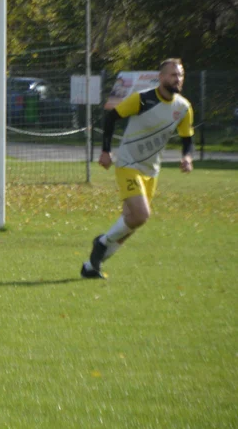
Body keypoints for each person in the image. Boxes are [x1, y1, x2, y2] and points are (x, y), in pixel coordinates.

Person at [81, 58, 194, 279]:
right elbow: (111, 117)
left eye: (180, 75)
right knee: (141, 215)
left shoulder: (183, 108)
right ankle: (102, 242)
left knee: (129, 225)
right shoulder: (143, 99)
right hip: (128, 163)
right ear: (161, 77)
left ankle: (90, 267)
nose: (177, 79)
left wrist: (187, 157)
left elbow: (187, 138)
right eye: (172, 74)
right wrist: (105, 151)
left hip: (152, 171)